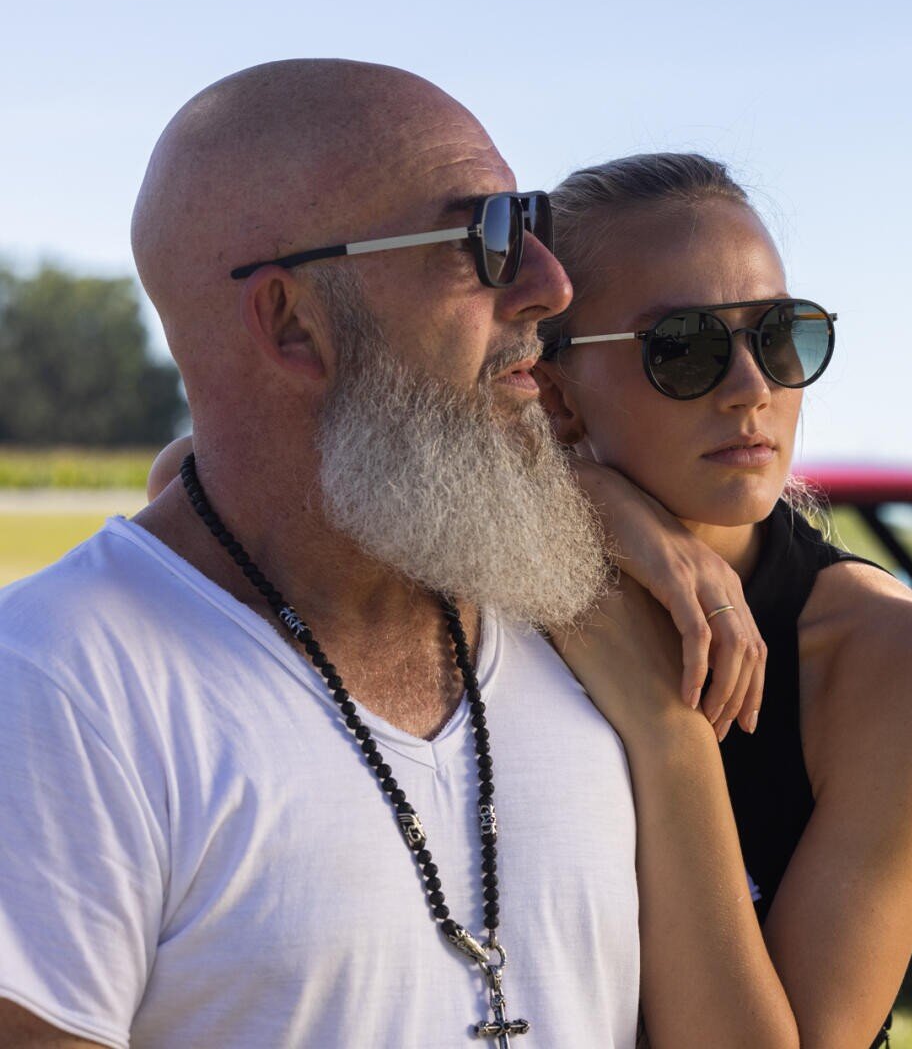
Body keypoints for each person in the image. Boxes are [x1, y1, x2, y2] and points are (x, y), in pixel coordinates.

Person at [0, 59, 649, 1047]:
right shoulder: (58, 687)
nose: (550, 287)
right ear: (290, 321)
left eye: (536, 226)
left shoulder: (585, 620)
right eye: (486, 237)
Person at [537, 153, 912, 1047]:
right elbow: (216, 480)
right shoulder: (481, 590)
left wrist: (670, 740)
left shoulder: (895, 663)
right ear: (558, 395)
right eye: (684, 346)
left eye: (780, 335)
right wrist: (585, 498)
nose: (751, 387)